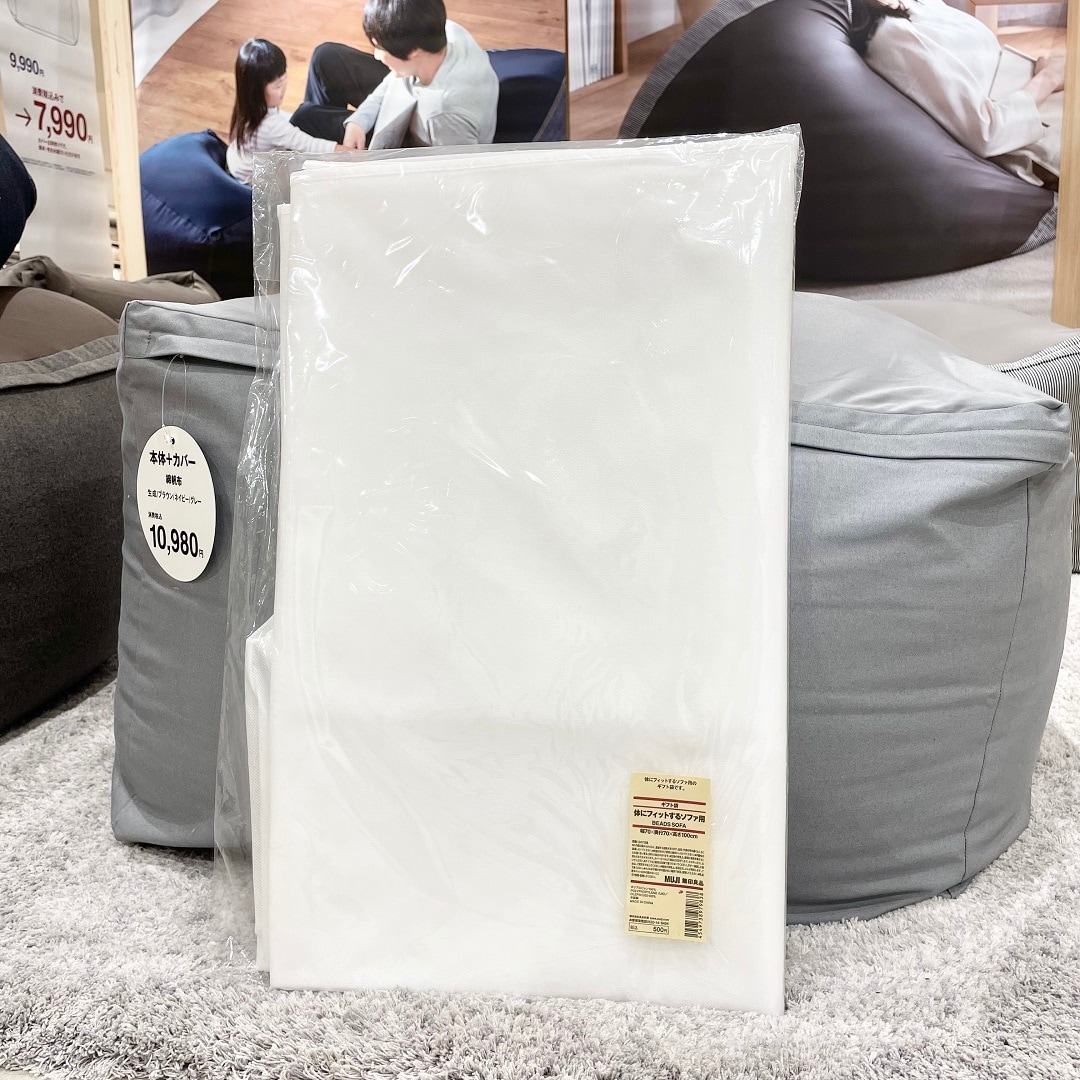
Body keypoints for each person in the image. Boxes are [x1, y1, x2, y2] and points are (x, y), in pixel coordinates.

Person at [851, 0, 1065, 185]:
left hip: (1040, 96)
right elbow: (986, 132)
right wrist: (1048, 78)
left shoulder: (911, 5)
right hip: (1035, 134)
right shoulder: (890, 35)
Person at [291, 0, 499, 150]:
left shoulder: (443, 115)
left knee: (305, 119)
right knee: (326, 57)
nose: (376, 55)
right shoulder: (447, 32)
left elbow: (451, 172)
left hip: (417, 145)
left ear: (414, 51)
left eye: (380, 47)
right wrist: (359, 120)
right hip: (413, 108)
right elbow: (395, 78)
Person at [226, 39, 343, 184]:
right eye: (277, 86)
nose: (283, 89)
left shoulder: (246, 106)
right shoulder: (271, 126)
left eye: (284, 80)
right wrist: (348, 152)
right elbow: (310, 145)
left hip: (239, 162)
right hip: (255, 181)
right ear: (255, 91)